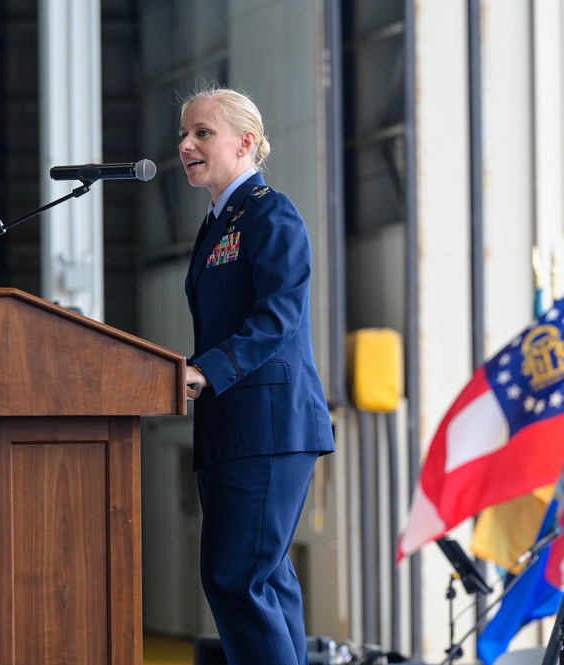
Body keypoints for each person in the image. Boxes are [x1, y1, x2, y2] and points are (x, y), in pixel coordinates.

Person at [179, 83, 336, 665]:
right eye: (184, 135)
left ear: (246, 142)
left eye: (202, 133)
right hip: (230, 426)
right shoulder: (218, 224)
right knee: (264, 579)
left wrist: (206, 371)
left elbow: (279, 316)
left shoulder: (271, 213)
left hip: (268, 425)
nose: (186, 145)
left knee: (235, 576)